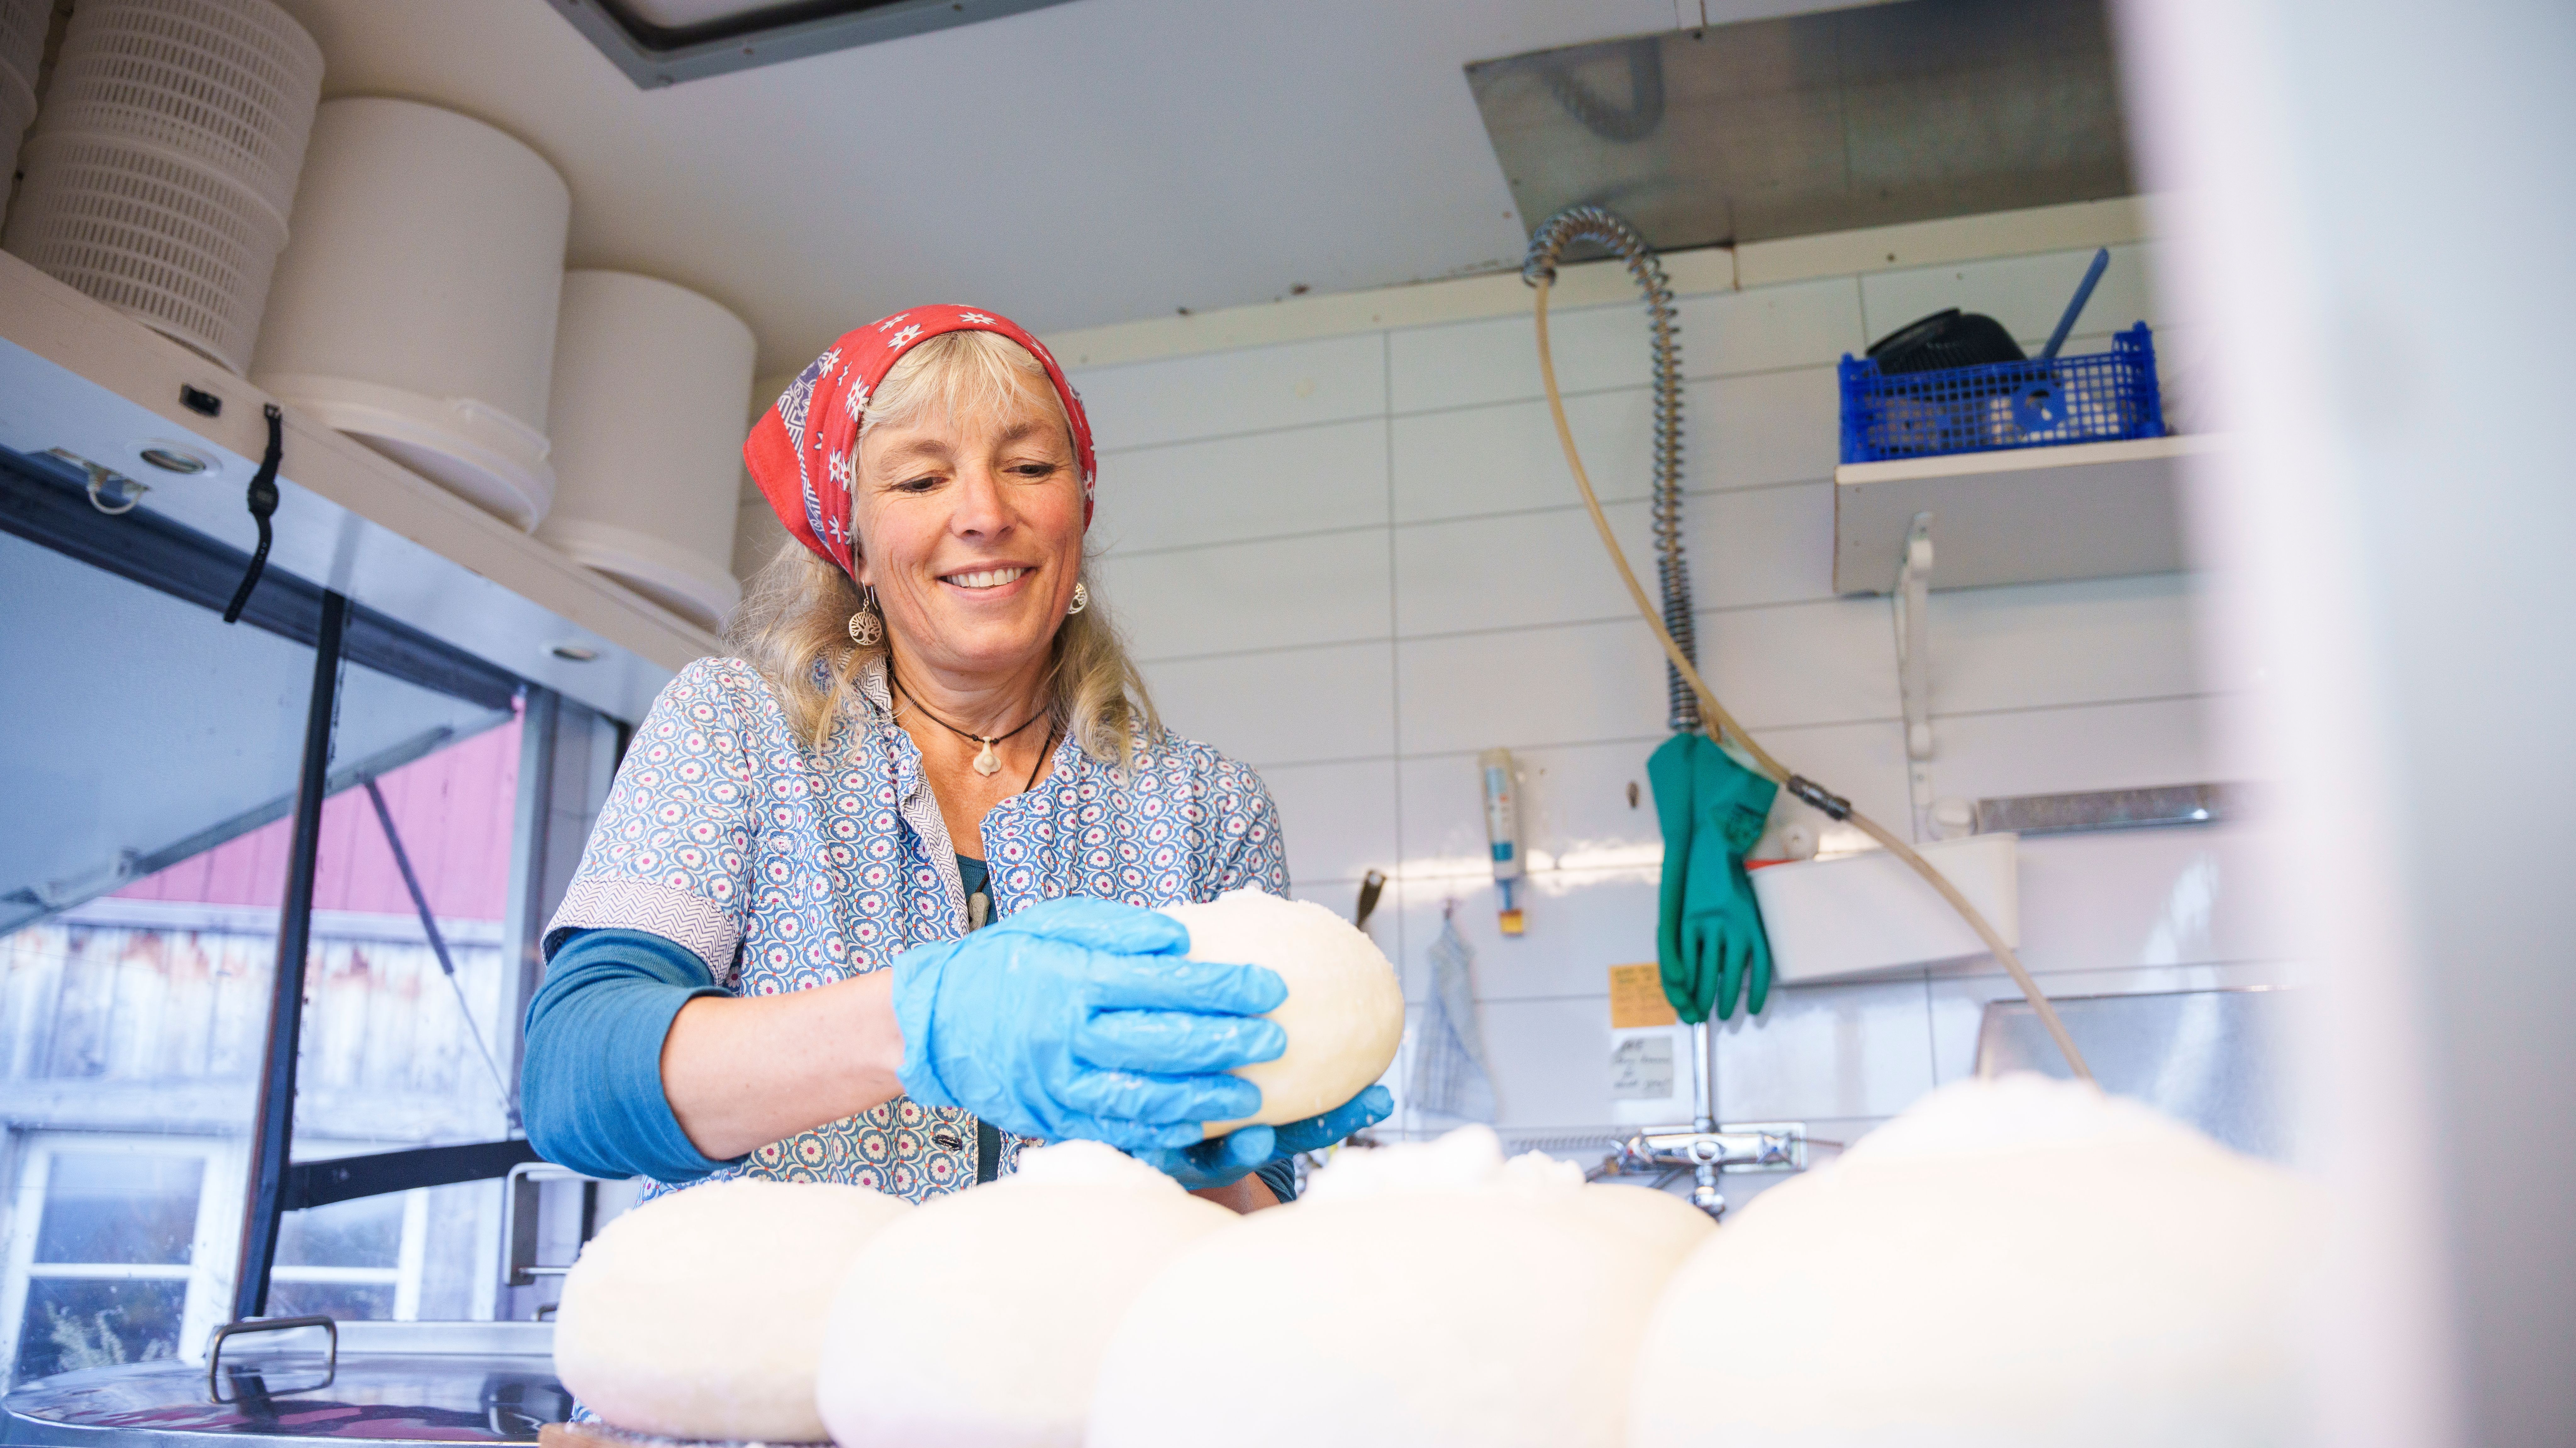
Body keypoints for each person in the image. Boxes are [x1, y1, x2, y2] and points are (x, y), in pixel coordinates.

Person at [519, 304, 1391, 1214]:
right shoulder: (736, 731)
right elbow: (576, 1079)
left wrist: (1187, 1161)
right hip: (787, 1350)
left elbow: (1257, 1197)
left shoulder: (1205, 809)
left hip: (1084, 1349)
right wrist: (923, 1020)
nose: (984, 513)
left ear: (1078, 516)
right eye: (922, 480)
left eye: (1029, 467)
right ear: (850, 541)